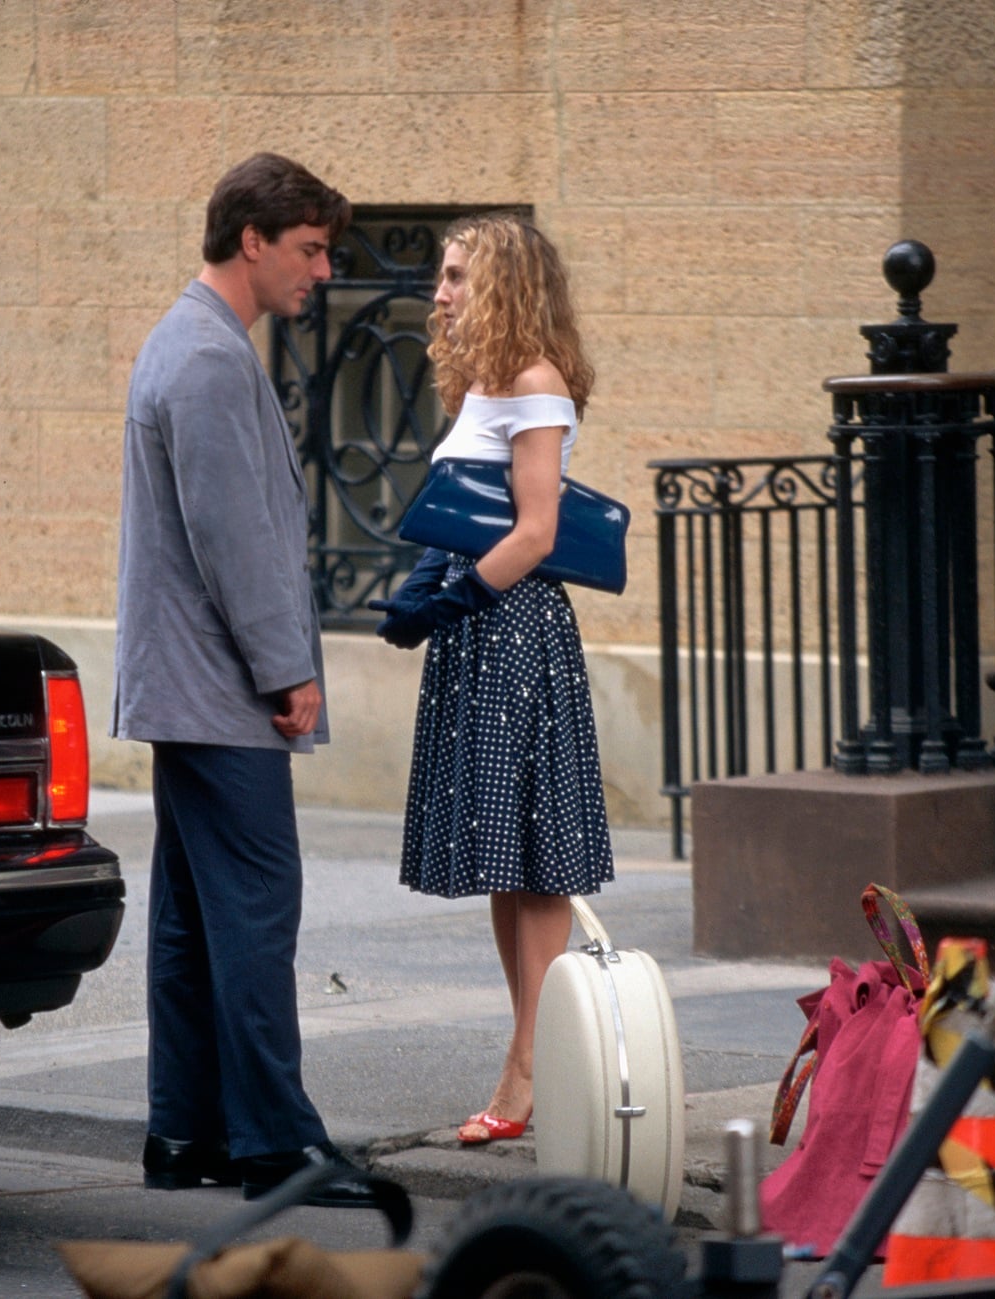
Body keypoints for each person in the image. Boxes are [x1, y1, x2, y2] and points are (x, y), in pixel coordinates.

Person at [112, 152, 376, 1207]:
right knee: (258, 915)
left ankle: (185, 1134)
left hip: (188, 689)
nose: (322, 270)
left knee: (194, 922)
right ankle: (276, 1145)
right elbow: (233, 539)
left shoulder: (187, 341)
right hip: (221, 692)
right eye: (309, 249)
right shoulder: (209, 357)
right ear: (251, 240)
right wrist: (287, 668)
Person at [369, 212, 615, 1146]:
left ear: (504, 282)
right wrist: (428, 589)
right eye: (443, 274)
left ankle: (530, 1066)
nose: (439, 291)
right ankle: (534, 1054)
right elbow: (469, 515)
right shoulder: (483, 383)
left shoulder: (536, 383)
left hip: (514, 629)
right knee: (505, 855)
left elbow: (538, 532)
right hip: (480, 629)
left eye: (456, 275)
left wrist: (452, 599)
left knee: (536, 857)